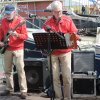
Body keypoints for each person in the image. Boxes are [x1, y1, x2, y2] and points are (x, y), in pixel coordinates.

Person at [42, 1, 80, 100]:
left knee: (66, 77)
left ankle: (67, 98)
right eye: (56, 12)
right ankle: (58, 97)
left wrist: (76, 37)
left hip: (65, 52)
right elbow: (42, 36)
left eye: (60, 11)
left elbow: (74, 33)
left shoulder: (68, 20)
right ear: (52, 12)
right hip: (53, 53)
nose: (59, 13)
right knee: (55, 77)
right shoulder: (47, 23)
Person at [0, 4, 28, 99]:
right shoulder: (3, 21)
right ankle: (9, 89)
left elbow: (25, 36)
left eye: (9, 13)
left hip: (18, 48)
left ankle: (23, 91)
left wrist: (17, 35)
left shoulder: (20, 22)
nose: (7, 15)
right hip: (7, 48)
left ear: (14, 12)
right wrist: (0, 42)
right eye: (6, 13)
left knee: (20, 70)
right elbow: (1, 34)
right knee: (7, 71)